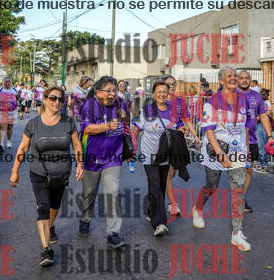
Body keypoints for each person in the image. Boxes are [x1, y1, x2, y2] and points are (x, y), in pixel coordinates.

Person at [10, 85, 84, 267]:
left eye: (60, 99)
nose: (57, 102)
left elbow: (76, 144)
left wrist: (80, 164)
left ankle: (49, 225)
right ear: (44, 100)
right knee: (43, 206)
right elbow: (23, 148)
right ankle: (46, 249)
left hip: (61, 174)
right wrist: (15, 170)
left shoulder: (68, 122)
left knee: (54, 205)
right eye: (53, 98)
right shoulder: (33, 124)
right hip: (39, 173)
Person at [193, 67, 251, 251]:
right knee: (212, 186)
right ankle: (198, 208)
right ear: (220, 81)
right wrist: (220, 153)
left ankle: (237, 233)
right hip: (215, 149)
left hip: (237, 151)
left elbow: (245, 128)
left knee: (238, 190)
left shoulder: (244, 100)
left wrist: (247, 150)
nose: (234, 78)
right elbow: (209, 131)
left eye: (235, 76)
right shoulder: (212, 102)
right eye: (229, 76)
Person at [78, 76, 127, 248]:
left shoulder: (119, 102)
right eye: (109, 91)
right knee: (89, 193)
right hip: (92, 157)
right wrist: (107, 126)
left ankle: (113, 233)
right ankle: (85, 219)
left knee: (113, 193)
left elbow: (126, 123)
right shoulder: (89, 105)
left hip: (113, 157)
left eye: (114, 90)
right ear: (98, 92)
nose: (112, 94)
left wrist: (124, 117)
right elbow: (87, 128)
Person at [133, 80, 185, 236]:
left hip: (165, 156)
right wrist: (132, 149)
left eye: (164, 92)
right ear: (154, 94)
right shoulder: (146, 110)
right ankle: (159, 223)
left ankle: (151, 211)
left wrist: (183, 130)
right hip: (149, 155)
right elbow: (136, 130)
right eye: (159, 92)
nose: (162, 94)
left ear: (168, 93)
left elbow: (178, 127)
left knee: (160, 186)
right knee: (155, 185)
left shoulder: (173, 111)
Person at [161, 75, 201, 216]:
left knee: (172, 172)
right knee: (168, 172)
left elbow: (186, 119)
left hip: (176, 140)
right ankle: (172, 204)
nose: (172, 86)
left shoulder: (180, 101)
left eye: (174, 84)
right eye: (168, 84)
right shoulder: (159, 101)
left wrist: (195, 134)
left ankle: (160, 192)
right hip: (162, 140)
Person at [237, 70, 274, 209]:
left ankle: (241, 199)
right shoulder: (231, 95)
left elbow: (264, 116)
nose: (244, 80)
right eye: (241, 78)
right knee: (237, 171)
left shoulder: (256, 96)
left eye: (247, 78)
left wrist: (270, 136)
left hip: (252, 140)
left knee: (248, 170)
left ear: (250, 80)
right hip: (235, 140)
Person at [0, 77, 18, 151]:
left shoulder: (14, 90)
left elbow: (17, 99)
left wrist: (19, 95)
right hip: (2, 111)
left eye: (9, 81)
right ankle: (1, 144)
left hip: (12, 111)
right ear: (4, 82)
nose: (8, 83)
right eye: (6, 81)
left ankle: (8, 141)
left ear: (11, 82)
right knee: (2, 127)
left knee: (10, 127)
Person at [256, 89, 273, 171]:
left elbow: (268, 112)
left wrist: (258, 118)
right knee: (259, 146)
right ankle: (261, 162)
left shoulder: (266, 103)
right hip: (258, 126)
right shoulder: (260, 103)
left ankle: (264, 164)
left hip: (262, 126)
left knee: (262, 145)